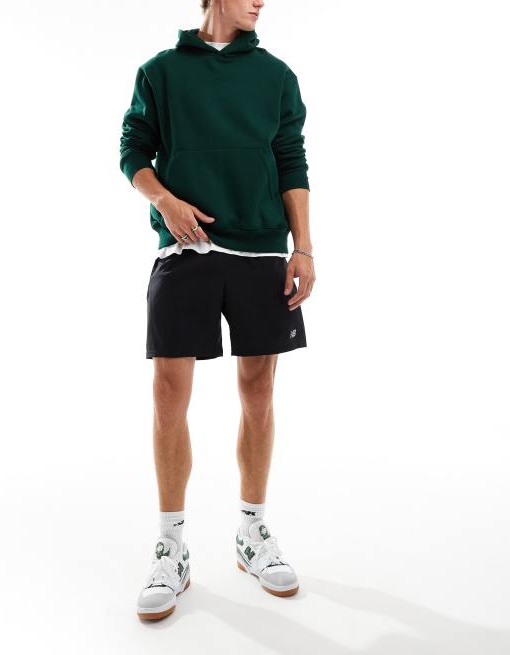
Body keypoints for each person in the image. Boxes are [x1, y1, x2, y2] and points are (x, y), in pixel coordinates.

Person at [119, 0, 315, 621]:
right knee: (167, 395)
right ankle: (171, 547)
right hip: (185, 249)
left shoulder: (276, 75)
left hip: (262, 250)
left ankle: (252, 532)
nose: (262, 1)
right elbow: (132, 152)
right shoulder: (161, 71)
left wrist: (303, 247)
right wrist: (165, 201)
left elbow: (291, 160)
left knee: (259, 391)